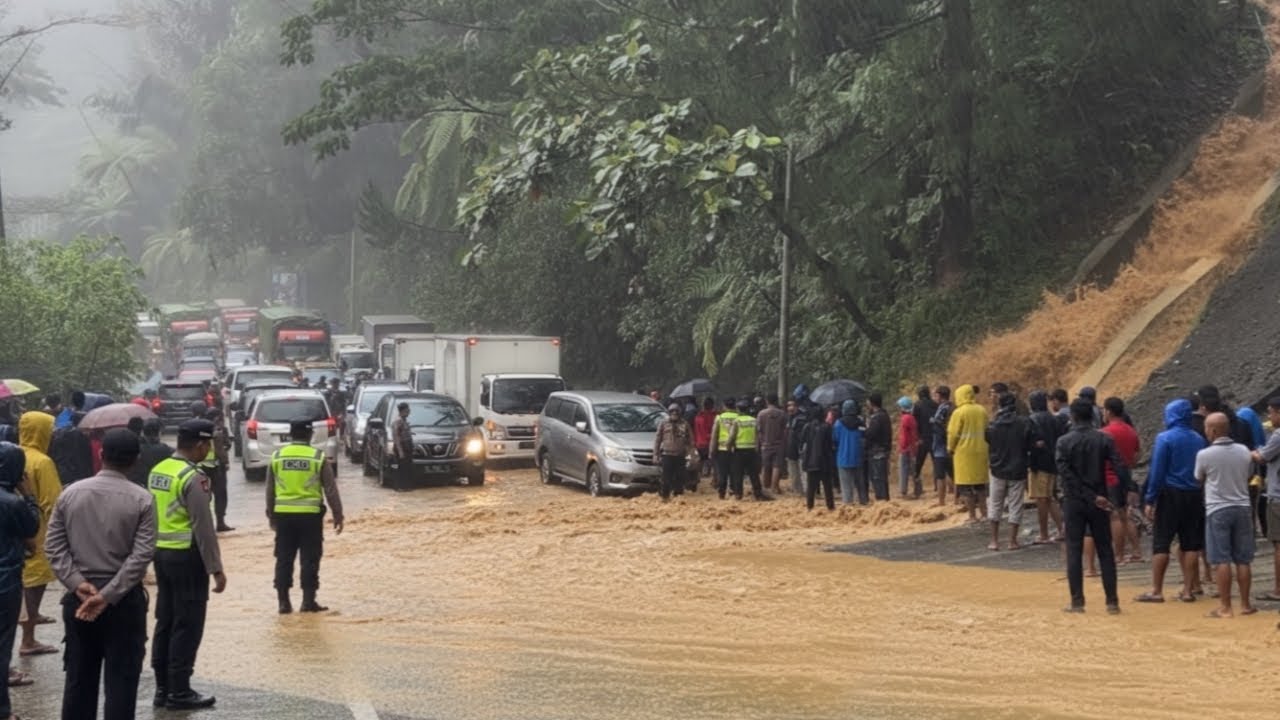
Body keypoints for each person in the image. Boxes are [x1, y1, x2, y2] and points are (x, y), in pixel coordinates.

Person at [45, 428, 155, 720]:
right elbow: (141, 555)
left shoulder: (70, 494)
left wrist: (78, 584)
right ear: (135, 460)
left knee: (79, 678)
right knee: (122, 681)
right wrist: (108, 596)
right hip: (124, 602)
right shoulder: (142, 499)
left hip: (79, 602)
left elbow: (54, 547)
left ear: (101, 454)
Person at [148, 419, 225, 710]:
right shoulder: (194, 477)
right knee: (188, 623)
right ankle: (180, 691)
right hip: (187, 557)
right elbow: (203, 527)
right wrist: (215, 568)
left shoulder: (159, 470)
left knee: (165, 620)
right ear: (201, 445)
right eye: (209, 445)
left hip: (161, 555)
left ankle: (162, 688)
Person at [1057, 399, 1128, 614]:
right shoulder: (1104, 439)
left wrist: (1088, 495)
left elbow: (1066, 474)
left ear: (1073, 417)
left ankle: (1077, 601)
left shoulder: (1063, 441)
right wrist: (1121, 494)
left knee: (1074, 549)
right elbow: (1120, 466)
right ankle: (1112, 602)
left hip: (1074, 501)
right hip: (1100, 500)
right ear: (1093, 416)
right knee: (1105, 550)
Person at [1135, 398, 1208, 604]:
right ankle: (1188, 590)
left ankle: (1157, 590)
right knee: (1191, 544)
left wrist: (1150, 498)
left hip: (1170, 493)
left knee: (1161, 543)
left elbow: (1158, 470)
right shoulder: (1198, 438)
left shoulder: (1164, 438)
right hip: (1194, 493)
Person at [267, 419, 343, 614]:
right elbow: (330, 489)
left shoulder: (277, 456)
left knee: (283, 558)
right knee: (310, 559)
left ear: (291, 435)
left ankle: (283, 603)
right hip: (310, 517)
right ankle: (308, 602)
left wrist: (271, 516)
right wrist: (338, 514)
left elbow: (270, 490)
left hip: (283, 516)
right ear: (310, 435)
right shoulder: (317, 457)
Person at [1195, 413, 1257, 618]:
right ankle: (1246, 605)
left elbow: (1199, 478)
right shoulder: (1244, 451)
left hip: (1217, 508)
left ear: (1213, 431)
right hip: (1242, 507)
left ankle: (1225, 606)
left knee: (1221, 559)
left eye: (1206, 427)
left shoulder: (1204, 454)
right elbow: (1249, 474)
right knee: (1243, 559)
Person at [17, 411, 60, 658]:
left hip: (16, 529)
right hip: (39, 530)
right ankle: (28, 639)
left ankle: (29, 624)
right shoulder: (42, 462)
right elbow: (53, 501)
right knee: (34, 583)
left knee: (21, 582)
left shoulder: (11, 454)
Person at [0, 443, 38, 719]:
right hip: (5, 581)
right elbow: (31, 528)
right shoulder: (12, 502)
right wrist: (29, 496)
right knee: (2, 646)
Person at [985, 392, 1032, 551]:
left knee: (995, 503)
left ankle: (994, 541)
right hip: (1018, 469)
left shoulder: (993, 424)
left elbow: (988, 440)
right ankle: (1012, 541)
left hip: (997, 468)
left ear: (1000, 405)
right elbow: (1028, 442)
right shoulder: (1024, 423)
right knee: (1015, 504)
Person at [1099, 397, 1141, 563]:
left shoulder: (1104, 433)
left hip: (1109, 477)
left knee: (1115, 516)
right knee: (1126, 514)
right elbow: (1137, 455)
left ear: (1108, 411)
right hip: (1126, 476)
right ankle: (1137, 551)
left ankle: (1119, 555)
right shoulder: (1131, 431)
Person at [1250, 396, 1280, 602]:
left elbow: (1262, 457)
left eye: (1271, 412)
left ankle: (1278, 589)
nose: (1269, 416)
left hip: (1278, 496)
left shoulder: (1278, 435)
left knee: (1278, 544)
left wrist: (1250, 451)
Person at [1026, 391, 1064, 543]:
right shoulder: (1054, 419)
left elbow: (1030, 442)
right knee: (1048, 498)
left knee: (1041, 499)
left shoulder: (1032, 419)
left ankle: (1044, 534)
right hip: (1052, 463)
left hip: (1038, 464)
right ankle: (1062, 529)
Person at [947, 385, 989, 523]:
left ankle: (972, 516)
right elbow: (988, 430)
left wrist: (950, 448)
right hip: (981, 452)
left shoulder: (958, 412)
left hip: (964, 454)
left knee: (966, 487)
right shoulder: (982, 410)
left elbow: (953, 433)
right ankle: (984, 514)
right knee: (980, 486)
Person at [726, 399, 769, 501]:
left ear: (738, 410)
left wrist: (728, 447)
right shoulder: (753, 420)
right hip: (751, 451)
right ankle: (758, 494)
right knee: (754, 474)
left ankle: (738, 494)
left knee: (738, 474)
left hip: (739, 451)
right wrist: (757, 449)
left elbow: (732, 436)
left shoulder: (737, 421)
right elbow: (757, 436)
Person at [201, 407, 233, 532]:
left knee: (204, 497)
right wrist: (226, 462)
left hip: (201, 468)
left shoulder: (199, 430)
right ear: (217, 418)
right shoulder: (220, 430)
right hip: (217, 467)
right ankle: (220, 523)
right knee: (220, 495)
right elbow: (224, 447)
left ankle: (205, 525)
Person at [654, 404, 692, 501]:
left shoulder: (685, 424)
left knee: (680, 478)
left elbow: (690, 440)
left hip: (680, 455)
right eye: (672, 412)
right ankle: (665, 497)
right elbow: (657, 440)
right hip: (667, 455)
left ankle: (678, 498)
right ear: (669, 413)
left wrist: (691, 454)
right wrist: (655, 455)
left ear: (680, 413)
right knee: (666, 478)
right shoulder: (663, 424)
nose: (674, 413)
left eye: (676, 412)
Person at [832, 400, 867, 505]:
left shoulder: (838, 423)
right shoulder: (860, 423)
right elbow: (865, 435)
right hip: (858, 457)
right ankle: (863, 503)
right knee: (860, 484)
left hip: (843, 458)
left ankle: (848, 505)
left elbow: (835, 439)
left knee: (846, 485)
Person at [801, 407, 836, 511]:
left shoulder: (807, 427)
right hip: (825, 461)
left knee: (811, 487)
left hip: (811, 460)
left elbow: (802, 442)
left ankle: (809, 507)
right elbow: (830, 444)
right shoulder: (827, 427)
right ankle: (830, 507)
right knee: (827, 486)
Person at [48, 411, 94, 486]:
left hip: (63, 475)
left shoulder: (59, 434)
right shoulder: (82, 436)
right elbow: (85, 458)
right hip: (79, 476)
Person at [128, 418, 174, 488]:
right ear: (159, 432)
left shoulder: (133, 448)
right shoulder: (167, 450)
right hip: (159, 486)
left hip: (138, 485)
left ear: (143, 432)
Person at [756, 394, 787, 494]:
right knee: (776, 466)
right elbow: (785, 429)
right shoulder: (782, 414)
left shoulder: (761, 414)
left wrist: (760, 442)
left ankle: (765, 487)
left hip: (765, 444)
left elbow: (758, 430)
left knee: (765, 466)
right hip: (778, 444)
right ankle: (775, 487)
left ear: (767, 401)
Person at [863, 394, 892, 501]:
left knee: (877, 478)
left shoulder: (876, 418)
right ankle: (885, 501)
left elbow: (870, 434)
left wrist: (866, 427)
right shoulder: (885, 415)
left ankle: (881, 501)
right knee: (882, 479)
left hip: (876, 452)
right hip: (884, 450)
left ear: (872, 403)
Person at [709, 398, 739, 500]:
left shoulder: (719, 418)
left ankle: (721, 494)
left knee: (722, 473)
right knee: (734, 472)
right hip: (736, 450)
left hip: (722, 449)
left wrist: (712, 451)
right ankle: (734, 492)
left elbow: (714, 436)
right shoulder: (739, 417)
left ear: (724, 406)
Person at [930, 386, 954, 506]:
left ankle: (941, 502)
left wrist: (933, 421)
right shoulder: (953, 406)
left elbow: (939, 425)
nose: (934, 397)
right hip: (952, 446)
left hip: (941, 447)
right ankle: (957, 500)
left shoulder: (942, 409)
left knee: (940, 475)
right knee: (954, 474)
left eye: (935, 395)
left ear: (940, 396)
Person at [911, 385, 936, 489]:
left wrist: (917, 438)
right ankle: (938, 486)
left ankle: (917, 487)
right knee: (937, 463)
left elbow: (914, 423)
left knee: (918, 464)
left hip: (922, 438)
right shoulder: (935, 404)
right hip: (934, 437)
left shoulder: (917, 405)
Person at [896, 397, 920, 498]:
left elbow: (905, 436)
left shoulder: (905, 418)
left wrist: (902, 446)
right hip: (912, 447)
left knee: (903, 470)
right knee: (913, 469)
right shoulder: (911, 417)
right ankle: (918, 489)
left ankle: (903, 491)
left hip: (906, 448)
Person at [785, 395, 809, 495]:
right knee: (793, 471)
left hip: (802, 448)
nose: (790, 407)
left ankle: (808, 491)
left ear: (797, 406)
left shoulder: (803, 417)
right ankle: (797, 491)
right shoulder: (788, 418)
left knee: (804, 471)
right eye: (788, 405)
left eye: (793, 405)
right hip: (791, 448)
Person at [391, 402, 415, 493]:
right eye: (407, 410)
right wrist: (400, 451)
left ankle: (406, 486)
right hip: (401, 448)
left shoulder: (404, 421)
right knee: (401, 468)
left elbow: (404, 433)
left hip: (407, 447)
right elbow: (396, 437)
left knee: (408, 468)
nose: (409, 412)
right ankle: (399, 487)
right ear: (403, 411)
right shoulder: (398, 422)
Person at [693, 398, 717, 481]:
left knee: (701, 460)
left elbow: (696, 430)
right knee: (713, 461)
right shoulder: (714, 416)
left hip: (699, 442)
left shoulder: (698, 416)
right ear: (712, 405)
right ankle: (713, 478)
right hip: (710, 442)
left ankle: (697, 477)